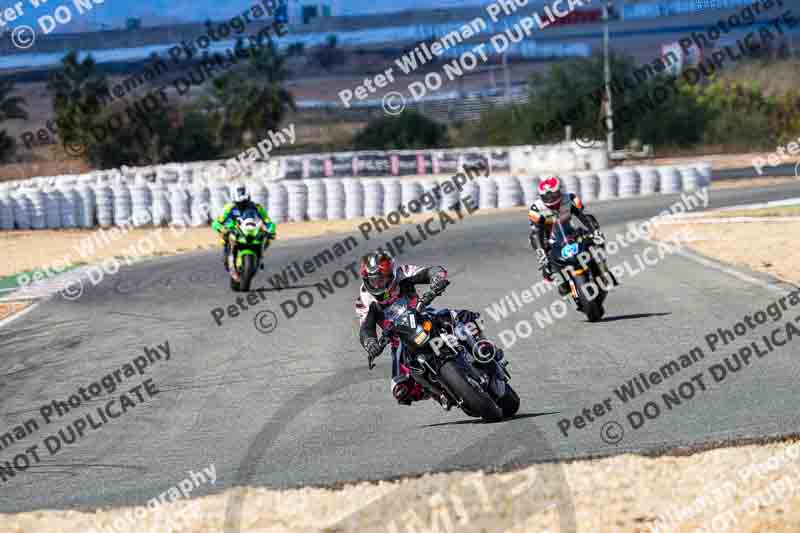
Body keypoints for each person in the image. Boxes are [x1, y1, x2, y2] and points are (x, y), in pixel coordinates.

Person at [355, 251, 487, 407]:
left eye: (382, 278)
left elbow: (430, 271)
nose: (378, 284)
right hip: (399, 339)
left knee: (462, 317)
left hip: (423, 315)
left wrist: (437, 279)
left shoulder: (403, 273)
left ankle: (483, 348)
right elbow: (366, 328)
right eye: (374, 280)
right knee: (400, 390)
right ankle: (440, 393)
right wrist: (371, 344)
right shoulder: (364, 299)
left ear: (391, 274)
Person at [528, 176, 606, 295]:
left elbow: (585, 216)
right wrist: (542, 254)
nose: (550, 199)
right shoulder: (536, 209)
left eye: (553, 195)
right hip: (550, 240)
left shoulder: (570, 199)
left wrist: (595, 231)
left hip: (570, 232)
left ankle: (602, 269)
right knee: (548, 269)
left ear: (560, 190)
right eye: (546, 197)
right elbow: (536, 233)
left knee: (597, 240)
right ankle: (562, 284)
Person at [211, 185, 277, 270]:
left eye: (245, 203)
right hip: (234, 230)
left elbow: (268, 221)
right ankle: (228, 253)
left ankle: (260, 256)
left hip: (251, 230)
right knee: (225, 236)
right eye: (239, 204)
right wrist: (222, 228)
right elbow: (217, 222)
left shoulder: (257, 207)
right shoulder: (229, 207)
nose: (242, 206)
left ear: (249, 199)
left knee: (268, 237)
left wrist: (271, 230)